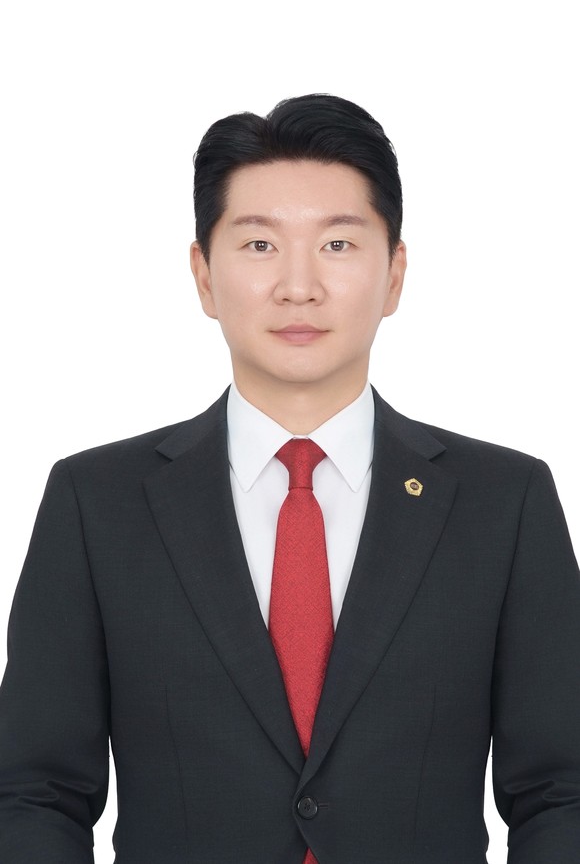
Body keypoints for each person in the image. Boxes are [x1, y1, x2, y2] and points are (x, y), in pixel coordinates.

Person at [0, 93, 579, 864]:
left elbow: (560, 792)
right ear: (204, 276)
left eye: (337, 244)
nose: (298, 286)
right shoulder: (97, 503)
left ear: (395, 273)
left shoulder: (503, 504)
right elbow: (35, 792)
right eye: (260, 244)